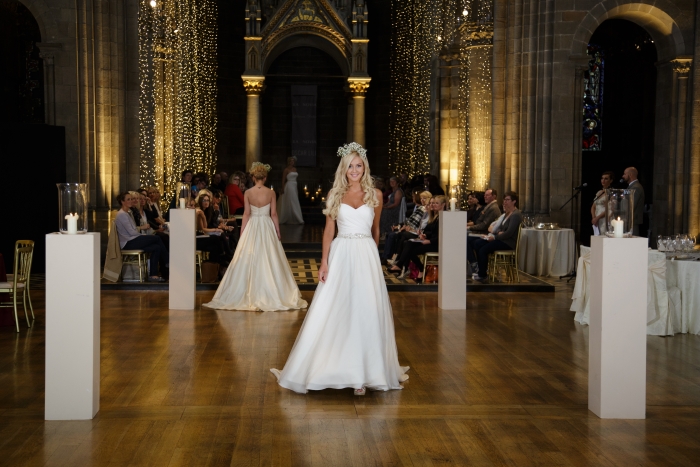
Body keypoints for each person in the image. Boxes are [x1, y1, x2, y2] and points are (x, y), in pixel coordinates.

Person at [271, 142, 409, 395]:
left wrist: (374, 258)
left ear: (364, 167)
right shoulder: (335, 194)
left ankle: (363, 375)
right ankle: (329, 366)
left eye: (358, 166)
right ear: (344, 169)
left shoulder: (375, 195)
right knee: (337, 308)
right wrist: (324, 262)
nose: (354, 170)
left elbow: (375, 230)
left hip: (365, 254)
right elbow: (328, 231)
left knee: (366, 310)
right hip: (341, 253)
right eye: (350, 166)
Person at [203, 162, 306, 311]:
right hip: (266, 226)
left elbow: (246, 214)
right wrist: (277, 230)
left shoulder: (248, 193)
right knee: (268, 257)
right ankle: (272, 291)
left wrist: (243, 231)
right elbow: (274, 214)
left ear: (253, 177)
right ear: (265, 177)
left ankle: (246, 292)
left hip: (252, 226)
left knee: (249, 257)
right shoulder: (270, 193)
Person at [387, 196, 446, 281]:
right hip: (430, 240)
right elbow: (430, 231)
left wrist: (429, 240)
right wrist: (424, 235)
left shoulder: (442, 217)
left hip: (436, 244)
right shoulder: (435, 216)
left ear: (443, 205)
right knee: (408, 243)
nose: (433, 205)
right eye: (432, 203)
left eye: (436, 203)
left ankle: (405, 266)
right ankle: (407, 267)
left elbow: (442, 235)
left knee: (409, 246)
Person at [468, 191, 522, 282]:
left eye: (508, 200)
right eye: (504, 200)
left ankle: (482, 274)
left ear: (514, 201)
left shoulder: (516, 214)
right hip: (501, 238)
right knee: (477, 243)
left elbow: (509, 233)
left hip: (508, 242)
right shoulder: (507, 213)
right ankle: (481, 268)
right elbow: (500, 228)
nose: (505, 202)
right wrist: (493, 235)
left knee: (483, 249)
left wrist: (495, 237)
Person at [114, 191, 168, 282]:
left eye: (131, 199)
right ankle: (167, 260)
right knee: (157, 238)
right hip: (128, 242)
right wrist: (142, 235)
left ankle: (153, 275)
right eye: (128, 199)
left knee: (157, 247)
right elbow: (132, 232)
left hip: (132, 239)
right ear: (122, 202)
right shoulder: (122, 214)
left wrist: (141, 235)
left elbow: (133, 230)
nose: (131, 201)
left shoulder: (127, 213)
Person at [382, 189, 431, 264]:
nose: (422, 200)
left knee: (400, 235)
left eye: (424, 198)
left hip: (418, 232)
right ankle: (392, 258)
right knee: (396, 235)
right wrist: (401, 226)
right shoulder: (422, 208)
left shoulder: (424, 209)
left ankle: (395, 259)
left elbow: (414, 223)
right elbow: (411, 221)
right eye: (421, 198)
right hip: (415, 230)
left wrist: (403, 227)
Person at [277, 156, 304, 224]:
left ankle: (297, 217)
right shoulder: (286, 170)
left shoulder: (295, 169)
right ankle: (289, 216)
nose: (292, 162)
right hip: (289, 185)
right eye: (291, 161)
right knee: (291, 200)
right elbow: (283, 180)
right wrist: (283, 188)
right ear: (289, 162)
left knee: (295, 200)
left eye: (293, 161)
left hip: (294, 185)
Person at [622, 167, 645, 236]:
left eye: (625, 174)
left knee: (631, 244)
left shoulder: (636, 187)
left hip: (632, 222)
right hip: (628, 222)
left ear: (630, 175)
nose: (623, 176)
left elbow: (631, 205)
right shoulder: (631, 186)